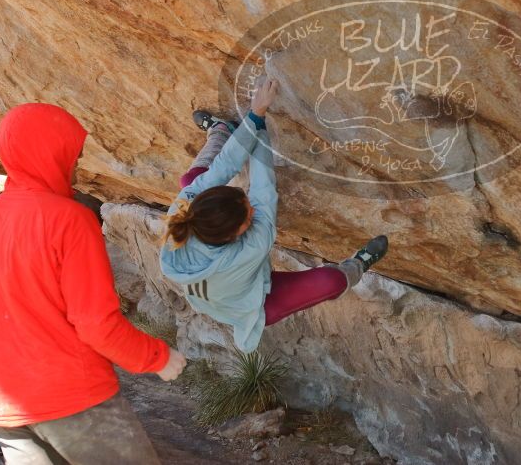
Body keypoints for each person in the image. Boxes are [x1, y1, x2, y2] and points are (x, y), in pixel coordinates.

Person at [0, 103, 187, 464]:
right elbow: (96, 324)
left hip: (5, 410)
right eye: (73, 155)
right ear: (50, 153)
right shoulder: (70, 220)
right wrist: (157, 358)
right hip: (72, 397)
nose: (76, 167)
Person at [159, 77, 388, 353]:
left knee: (191, 180)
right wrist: (260, 126)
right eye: (248, 217)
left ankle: (221, 132)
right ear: (235, 236)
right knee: (331, 282)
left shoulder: (183, 212)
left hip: (215, 285)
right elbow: (262, 188)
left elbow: (223, 167)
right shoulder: (252, 247)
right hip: (250, 302)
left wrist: (256, 114)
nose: (252, 210)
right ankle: (358, 265)